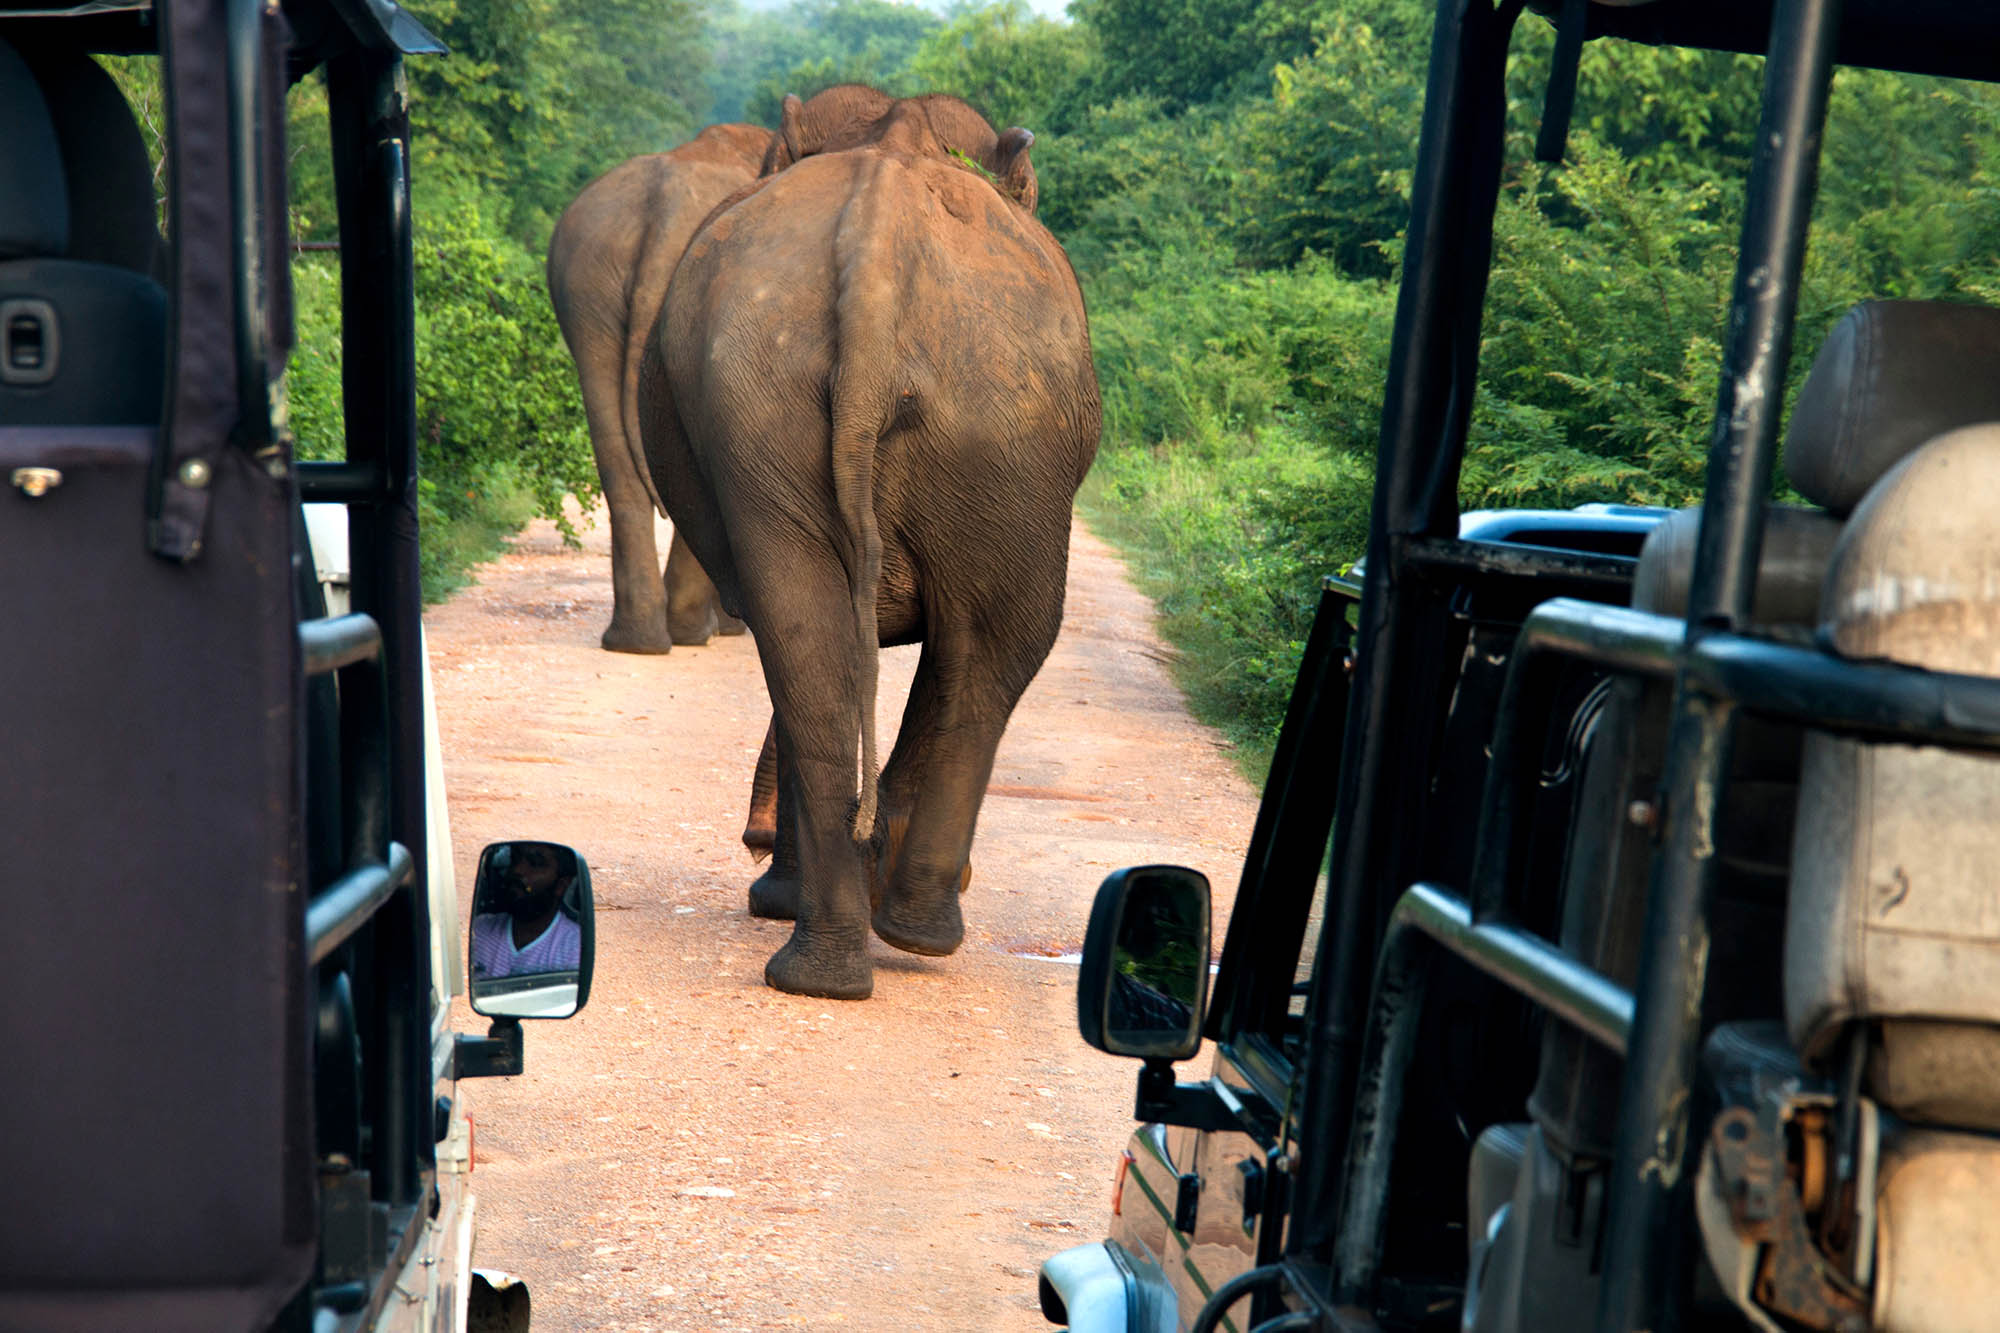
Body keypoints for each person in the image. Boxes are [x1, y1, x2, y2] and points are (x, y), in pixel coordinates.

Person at [470, 841, 581, 981]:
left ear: (561, 885)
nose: (518, 870)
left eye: (535, 863)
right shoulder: (479, 930)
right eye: (515, 859)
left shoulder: (574, 947)